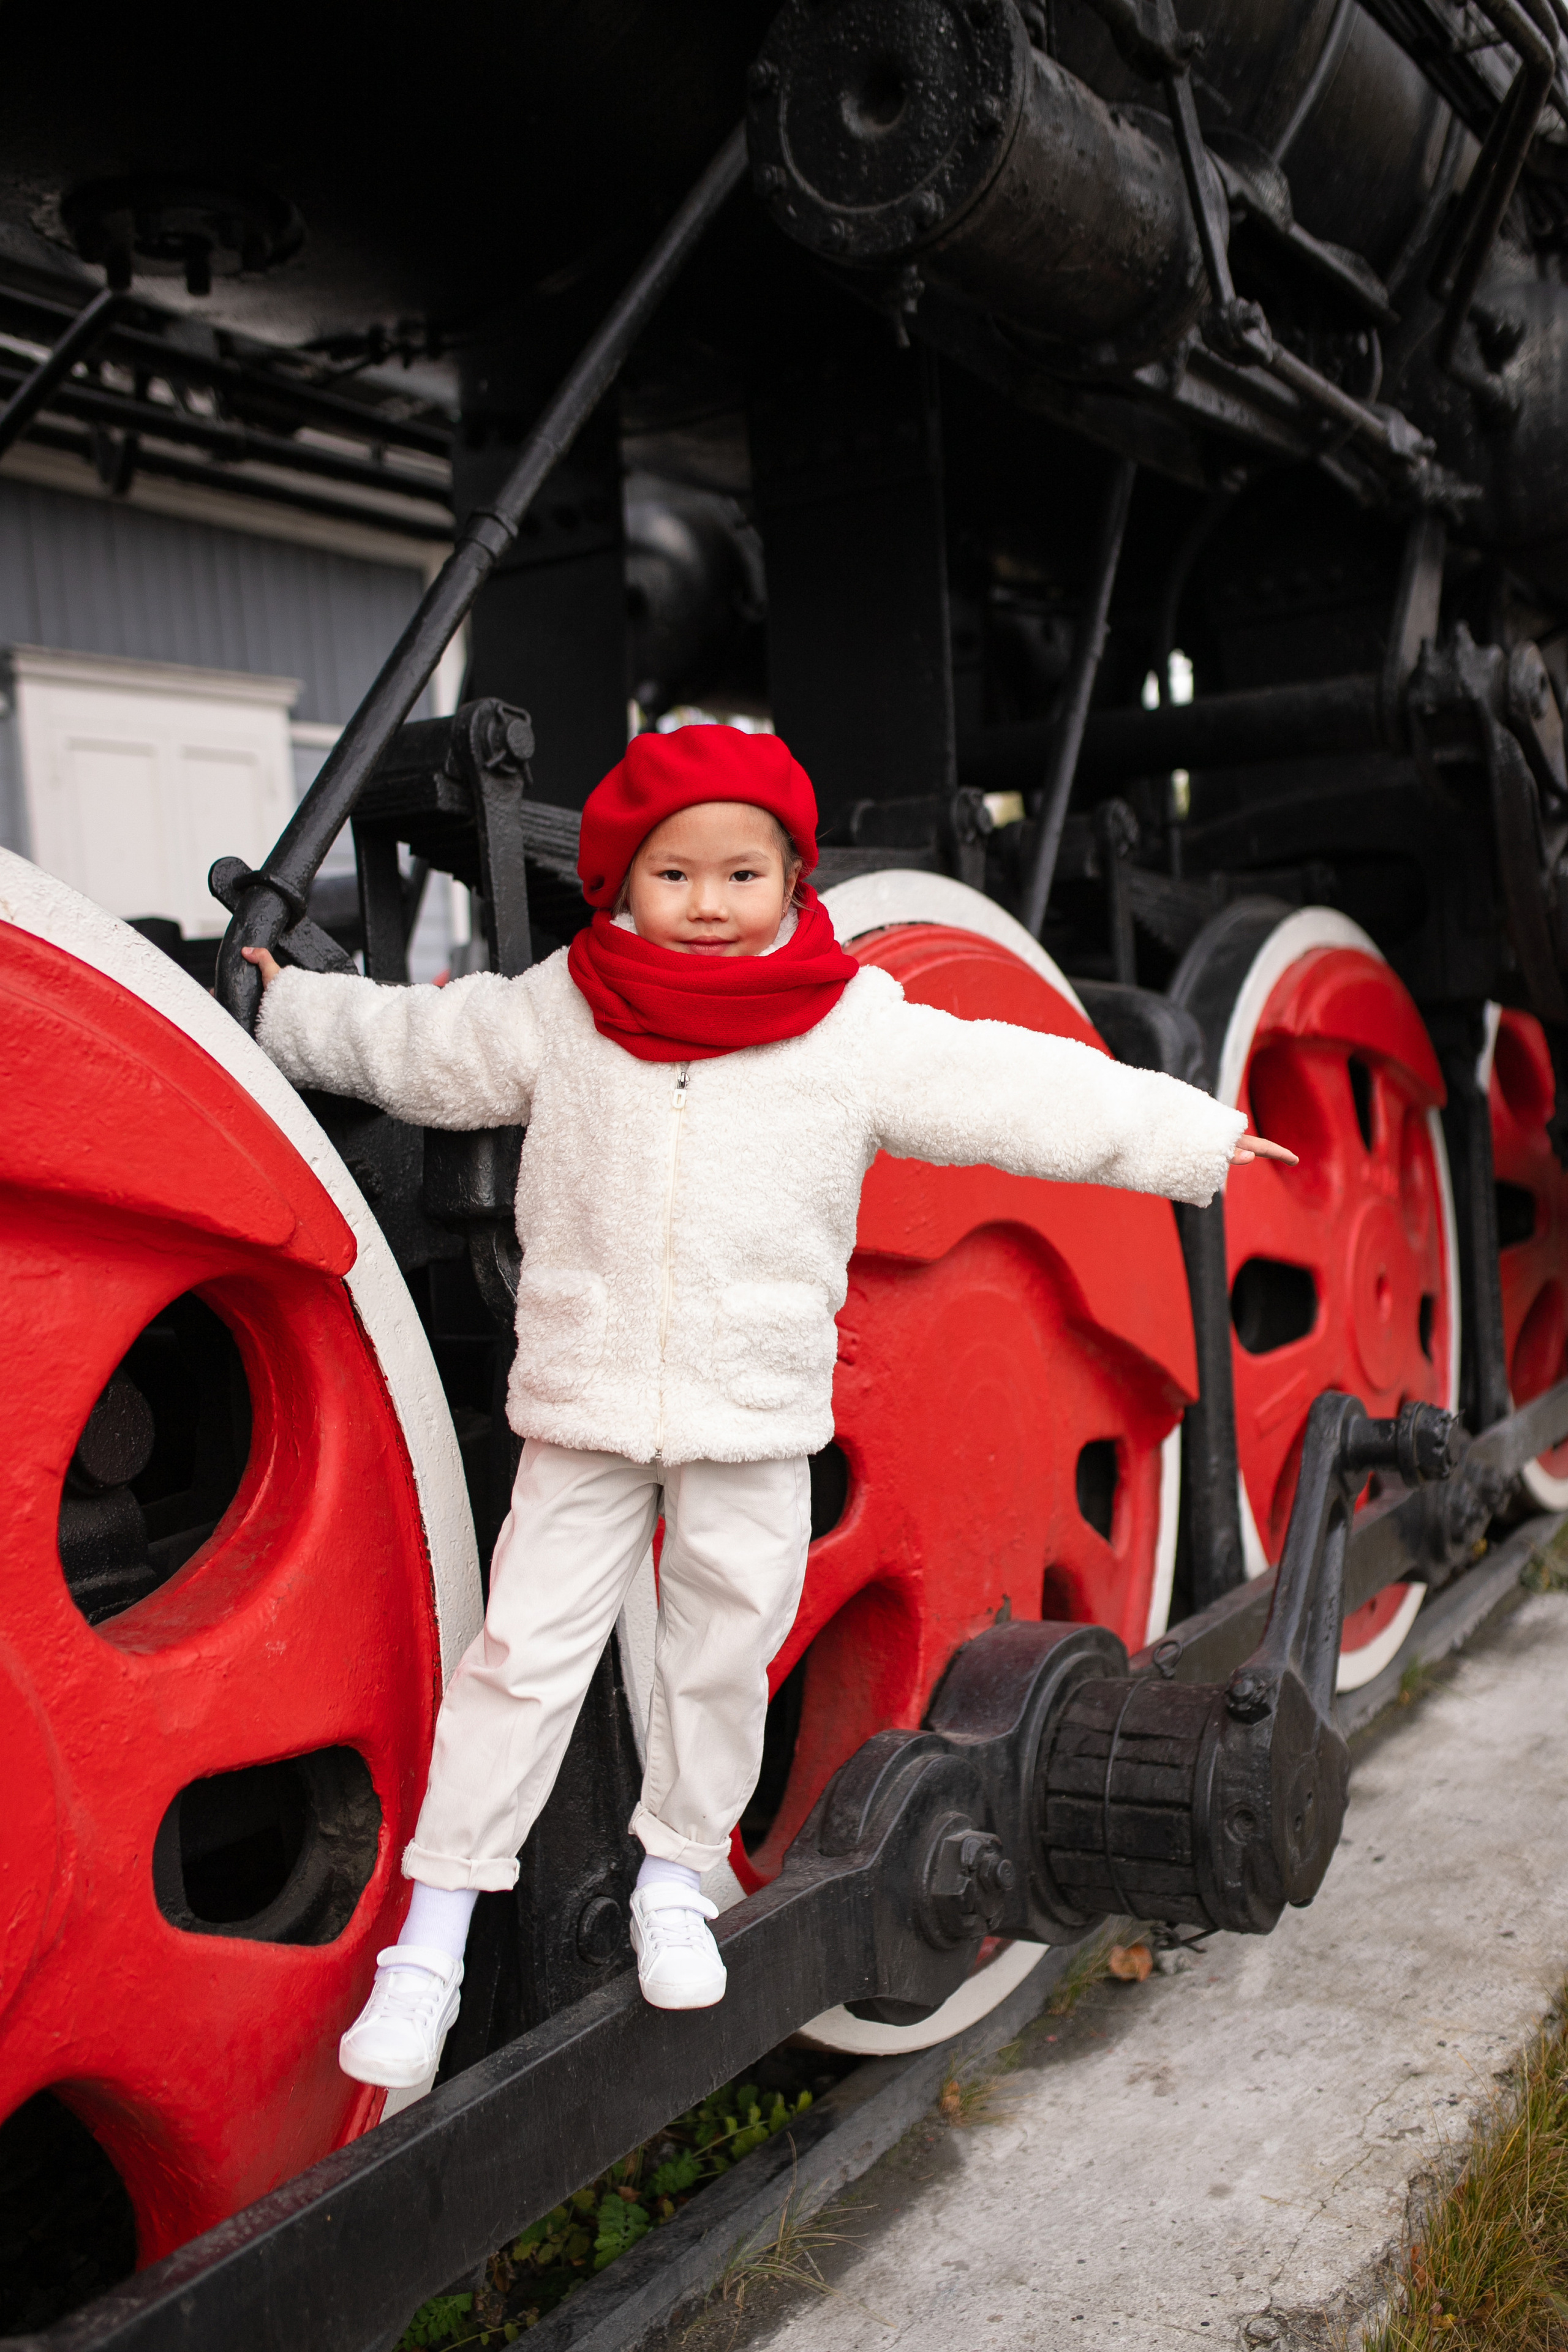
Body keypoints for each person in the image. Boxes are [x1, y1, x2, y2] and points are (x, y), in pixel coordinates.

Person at [245, 723, 1292, 2089]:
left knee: (721, 1656)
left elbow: (1008, 1085)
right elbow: (420, 1044)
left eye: (741, 875)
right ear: (619, 884)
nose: (708, 902)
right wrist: (288, 1012)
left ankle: (675, 1880)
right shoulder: (562, 1007)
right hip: (583, 1407)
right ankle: (431, 1941)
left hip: (751, 1416)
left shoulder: (849, 1029)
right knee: (521, 1660)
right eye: (673, 874)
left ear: (792, 880)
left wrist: (1189, 1133)